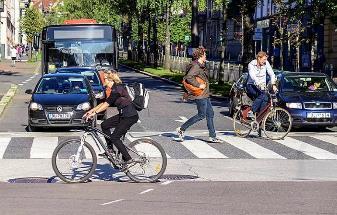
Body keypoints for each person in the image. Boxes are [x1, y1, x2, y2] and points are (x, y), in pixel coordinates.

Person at [83, 70, 138, 165]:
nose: (103, 81)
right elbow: (105, 102)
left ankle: (128, 159)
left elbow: (106, 104)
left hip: (130, 116)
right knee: (105, 125)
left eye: (104, 79)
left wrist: (94, 113)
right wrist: (90, 111)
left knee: (115, 137)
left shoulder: (117, 90)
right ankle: (110, 150)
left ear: (110, 80)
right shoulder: (115, 89)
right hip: (123, 115)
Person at [176, 46, 222, 143]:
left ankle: (212, 136)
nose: (206, 56)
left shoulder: (200, 65)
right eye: (205, 54)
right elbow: (189, 77)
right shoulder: (196, 66)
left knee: (210, 114)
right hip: (200, 94)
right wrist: (199, 85)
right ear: (201, 55)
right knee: (201, 115)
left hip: (204, 94)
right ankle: (181, 129)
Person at [246, 51, 277, 118]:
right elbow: (253, 76)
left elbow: (272, 74)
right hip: (251, 85)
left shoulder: (266, 63)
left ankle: (260, 116)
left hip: (262, 86)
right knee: (262, 95)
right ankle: (251, 111)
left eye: (266, 59)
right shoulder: (251, 64)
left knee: (266, 97)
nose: (265, 61)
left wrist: (273, 84)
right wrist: (259, 83)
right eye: (264, 59)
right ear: (259, 58)